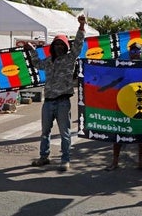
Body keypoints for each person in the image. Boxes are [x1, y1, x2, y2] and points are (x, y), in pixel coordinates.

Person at [26, 14, 86, 172]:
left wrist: (81, 27)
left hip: (62, 102)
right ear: (53, 46)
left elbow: (78, 45)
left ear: (66, 47)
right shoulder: (48, 60)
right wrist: (32, 51)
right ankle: (43, 157)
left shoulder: (70, 58)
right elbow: (37, 64)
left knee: (64, 133)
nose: (59, 46)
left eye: (62, 44)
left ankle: (65, 159)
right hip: (48, 102)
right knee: (45, 132)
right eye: (56, 44)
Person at [105, 42, 142, 172]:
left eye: (137, 51)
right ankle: (115, 162)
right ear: (129, 53)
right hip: (123, 105)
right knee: (119, 133)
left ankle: (141, 163)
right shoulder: (122, 67)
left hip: (141, 106)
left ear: (141, 53)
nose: (135, 53)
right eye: (133, 51)